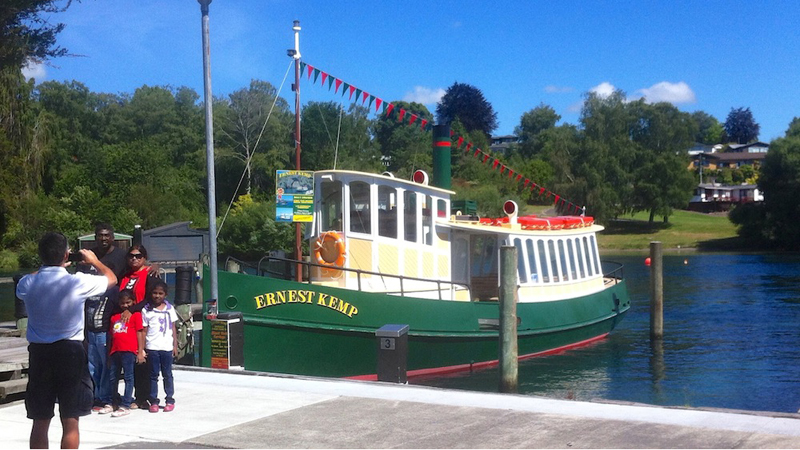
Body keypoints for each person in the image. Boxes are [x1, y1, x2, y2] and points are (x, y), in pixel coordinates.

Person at [16, 232, 117, 449]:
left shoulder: (28, 283)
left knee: (40, 420)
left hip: (40, 353)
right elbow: (111, 279)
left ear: (41, 255)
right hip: (70, 351)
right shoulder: (76, 282)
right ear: (66, 254)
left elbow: (30, 279)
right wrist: (94, 261)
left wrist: (50, 265)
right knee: (70, 420)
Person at [77, 223, 127, 412]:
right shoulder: (88, 256)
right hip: (90, 315)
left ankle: (108, 396)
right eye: (100, 235)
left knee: (108, 362)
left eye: (106, 235)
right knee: (92, 362)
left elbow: (140, 264)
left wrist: (153, 266)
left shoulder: (121, 255)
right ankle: (97, 396)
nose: (103, 238)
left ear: (112, 237)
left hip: (111, 313)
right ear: (95, 237)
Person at [117, 243, 160, 409]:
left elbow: (151, 298)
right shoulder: (125, 274)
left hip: (141, 320)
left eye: (138, 256)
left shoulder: (150, 274)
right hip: (125, 323)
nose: (134, 259)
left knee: (142, 359)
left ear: (144, 258)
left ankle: (143, 397)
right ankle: (129, 395)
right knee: (129, 360)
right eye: (131, 256)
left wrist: (131, 310)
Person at [105, 289, 146, 418]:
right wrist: (108, 355)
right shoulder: (114, 318)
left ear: (133, 302)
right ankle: (113, 402)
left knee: (129, 377)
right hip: (115, 351)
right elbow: (111, 337)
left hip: (129, 351)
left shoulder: (136, 315)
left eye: (128, 302)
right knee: (113, 378)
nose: (125, 305)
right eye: (122, 303)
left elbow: (140, 333)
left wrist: (140, 351)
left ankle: (126, 404)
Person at [141, 280, 178, 413]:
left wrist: (175, 345)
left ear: (165, 295)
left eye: (160, 293)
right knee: (153, 375)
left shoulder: (169, 309)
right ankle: (154, 400)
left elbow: (173, 328)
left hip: (166, 347)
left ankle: (169, 399)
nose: (157, 296)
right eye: (155, 293)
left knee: (167, 374)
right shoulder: (146, 310)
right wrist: (143, 348)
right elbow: (144, 330)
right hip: (152, 346)